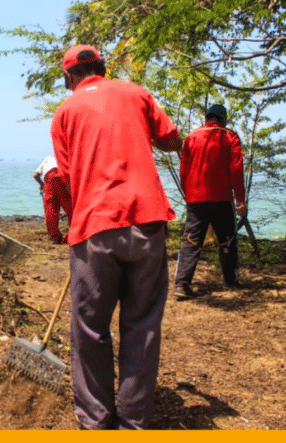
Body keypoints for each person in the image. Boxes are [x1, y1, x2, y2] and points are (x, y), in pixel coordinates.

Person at [50, 44, 183, 430]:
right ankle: (134, 422)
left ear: (69, 76)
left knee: (90, 328)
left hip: (95, 226)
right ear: (103, 69)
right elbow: (171, 138)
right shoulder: (136, 92)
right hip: (147, 220)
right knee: (142, 326)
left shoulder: (65, 112)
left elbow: (68, 176)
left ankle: (96, 422)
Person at [174, 104, 247, 297]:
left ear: (207, 118)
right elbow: (237, 170)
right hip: (221, 198)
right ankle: (230, 280)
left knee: (191, 240)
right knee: (227, 239)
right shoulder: (229, 137)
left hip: (196, 198)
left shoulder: (191, 138)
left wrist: (188, 193)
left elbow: (184, 170)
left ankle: (181, 284)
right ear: (223, 119)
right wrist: (240, 199)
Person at [33, 155, 72, 244]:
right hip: (63, 174)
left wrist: (42, 184)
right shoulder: (65, 157)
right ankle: (73, 233)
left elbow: (35, 175)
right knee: (70, 207)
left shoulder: (46, 160)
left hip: (49, 178)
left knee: (50, 208)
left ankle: (55, 237)